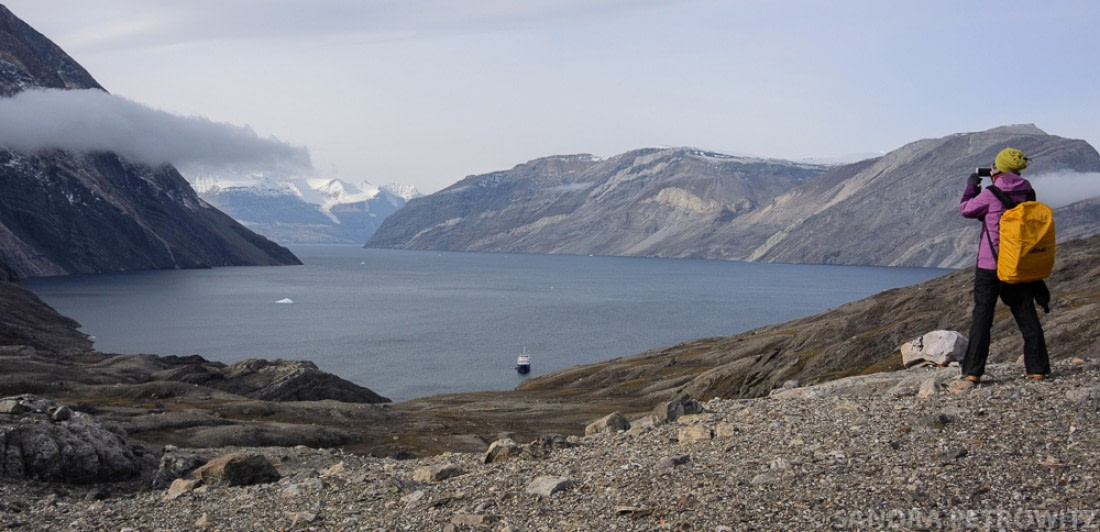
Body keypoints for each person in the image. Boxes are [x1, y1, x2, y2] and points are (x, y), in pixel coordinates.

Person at [956, 147, 1050, 388]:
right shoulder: (1028, 192)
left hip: (990, 265)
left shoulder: (990, 193)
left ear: (998, 168)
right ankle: (1038, 369)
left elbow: (966, 210)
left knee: (982, 319)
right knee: (1026, 314)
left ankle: (973, 372)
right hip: (1016, 264)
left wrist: (971, 187)